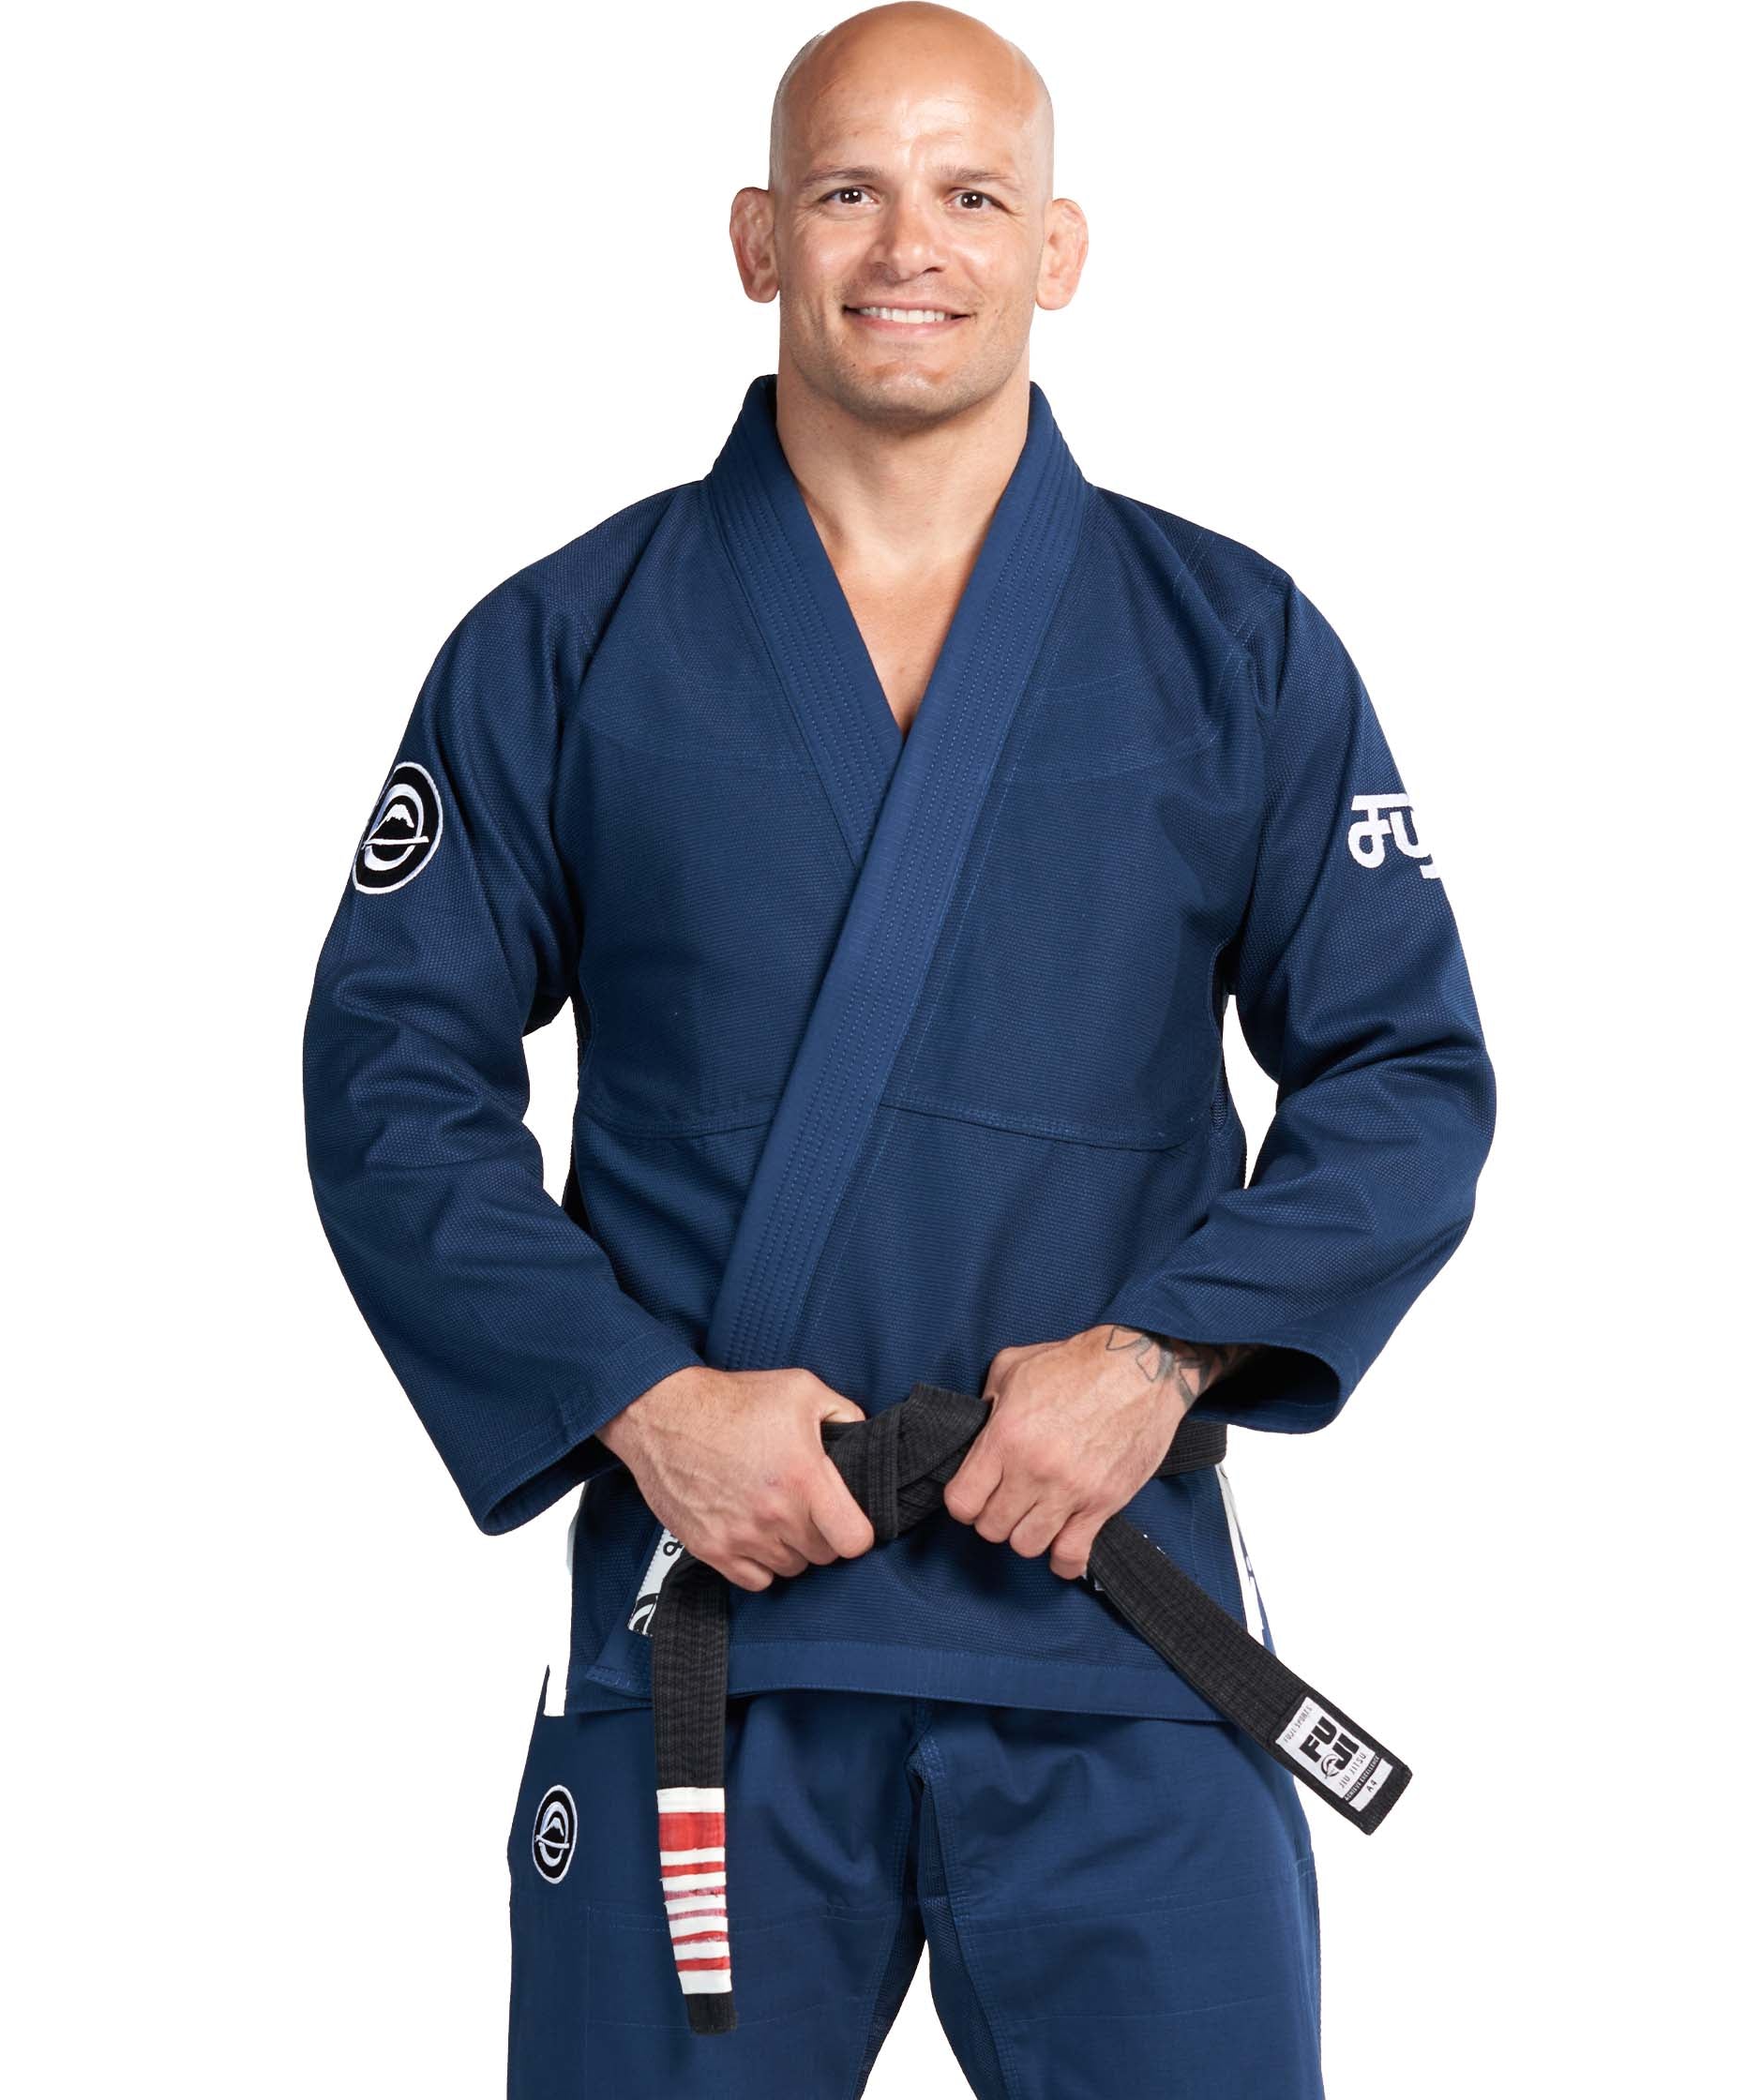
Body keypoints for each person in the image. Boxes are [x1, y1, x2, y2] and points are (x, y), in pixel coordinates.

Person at [301, 6, 1494, 2092]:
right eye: (849, 190)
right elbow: (391, 1076)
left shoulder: (1239, 647)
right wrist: (646, 1404)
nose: (907, 246)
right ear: (758, 238)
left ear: (1064, 247)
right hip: (715, 1628)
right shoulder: (563, 643)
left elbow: (1403, 1076)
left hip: (1116, 1632)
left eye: (973, 194)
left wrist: (1158, 1366)